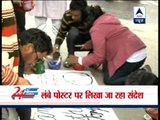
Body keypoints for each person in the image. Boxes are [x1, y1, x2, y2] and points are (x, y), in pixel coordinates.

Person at [67, 5, 147, 85]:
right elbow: (110, 35)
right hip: (137, 50)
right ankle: (136, 71)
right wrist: (92, 43)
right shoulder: (106, 17)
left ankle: (143, 75)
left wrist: (78, 60)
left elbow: (98, 57)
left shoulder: (96, 29)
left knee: (110, 80)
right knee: (107, 69)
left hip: (132, 57)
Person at [52, 0, 94, 68]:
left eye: (76, 15)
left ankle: (92, 55)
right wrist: (56, 47)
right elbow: (61, 33)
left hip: (91, 39)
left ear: (83, 13)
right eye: (72, 14)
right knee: (72, 31)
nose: (73, 17)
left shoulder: (92, 16)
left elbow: (102, 35)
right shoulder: (67, 15)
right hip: (78, 39)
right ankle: (71, 56)